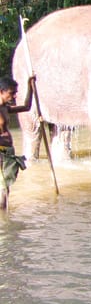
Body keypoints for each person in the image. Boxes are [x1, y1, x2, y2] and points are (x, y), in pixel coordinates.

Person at [0, 75, 35, 210]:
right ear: (1, 91)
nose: (14, 96)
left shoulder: (5, 109)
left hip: (8, 151)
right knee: (3, 188)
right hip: (1, 152)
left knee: (5, 188)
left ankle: (4, 218)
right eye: (11, 93)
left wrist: (30, 87)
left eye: (15, 93)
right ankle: (3, 220)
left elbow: (27, 107)